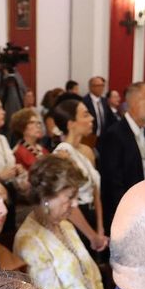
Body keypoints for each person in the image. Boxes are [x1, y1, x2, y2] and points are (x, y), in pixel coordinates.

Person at [14, 156, 105, 289]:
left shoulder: (65, 224)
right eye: (70, 197)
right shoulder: (29, 240)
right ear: (47, 198)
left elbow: (90, 272)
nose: (75, 204)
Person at [97, 82, 145, 227]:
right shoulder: (114, 135)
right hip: (124, 215)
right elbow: (112, 183)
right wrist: (130, 214)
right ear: (134, 104)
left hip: (143, 209)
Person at [50, 99, 108, 250]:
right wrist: (92, 236)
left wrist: (100, 229)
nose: (92, 118)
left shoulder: (88, 151)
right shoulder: (62, 154)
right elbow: (66, 202)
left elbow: (96, 191)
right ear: (71, 124)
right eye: (86, 115)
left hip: (92, 215)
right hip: (75, 220)